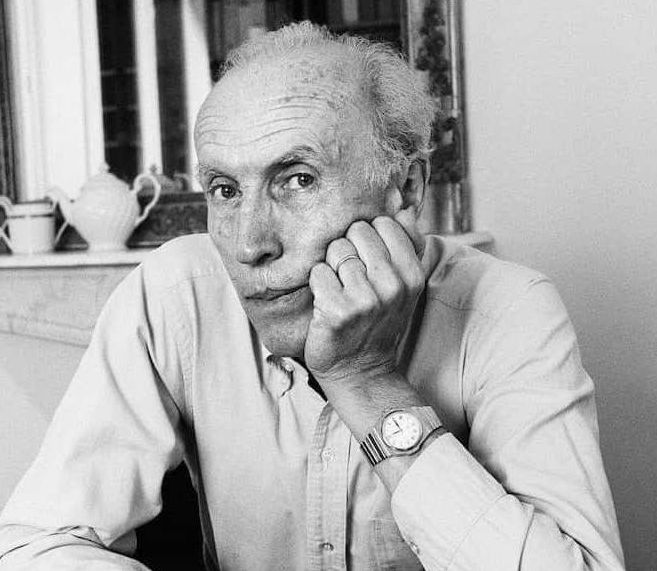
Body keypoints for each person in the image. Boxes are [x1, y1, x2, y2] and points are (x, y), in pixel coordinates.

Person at [0, 22, 624, 570]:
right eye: (224, 190)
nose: (250, 243)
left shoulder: (508, 309)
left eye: (297, 180)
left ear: (405, 191)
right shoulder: (173, 295)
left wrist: (365, 381)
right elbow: (35, 544)